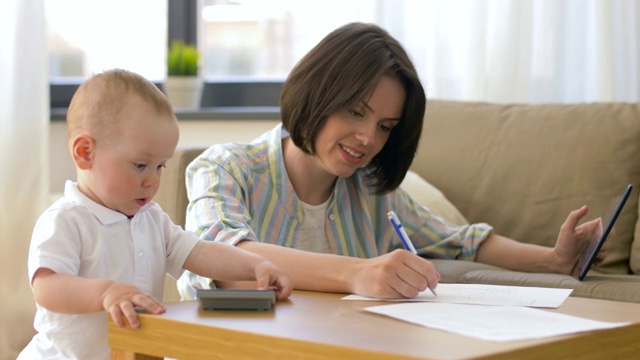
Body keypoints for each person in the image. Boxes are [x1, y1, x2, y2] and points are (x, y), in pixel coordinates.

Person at [178, 22, 604, 301]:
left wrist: (552, 259)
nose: (368, 139)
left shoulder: (371, 191)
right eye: (356, 112)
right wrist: (355, 273)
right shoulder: (224, 167)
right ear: (318, 95)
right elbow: (225, 261)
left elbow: (459, 241)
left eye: (386, 126)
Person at [18, 69, 292, 360]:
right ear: (85, 152)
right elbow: (47, 287)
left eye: (160, 166)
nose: (153, 180)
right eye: (139, 165)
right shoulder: (66, 219)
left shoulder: (151, 218)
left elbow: (200, 253)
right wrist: (105, 293)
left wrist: (255, 265)